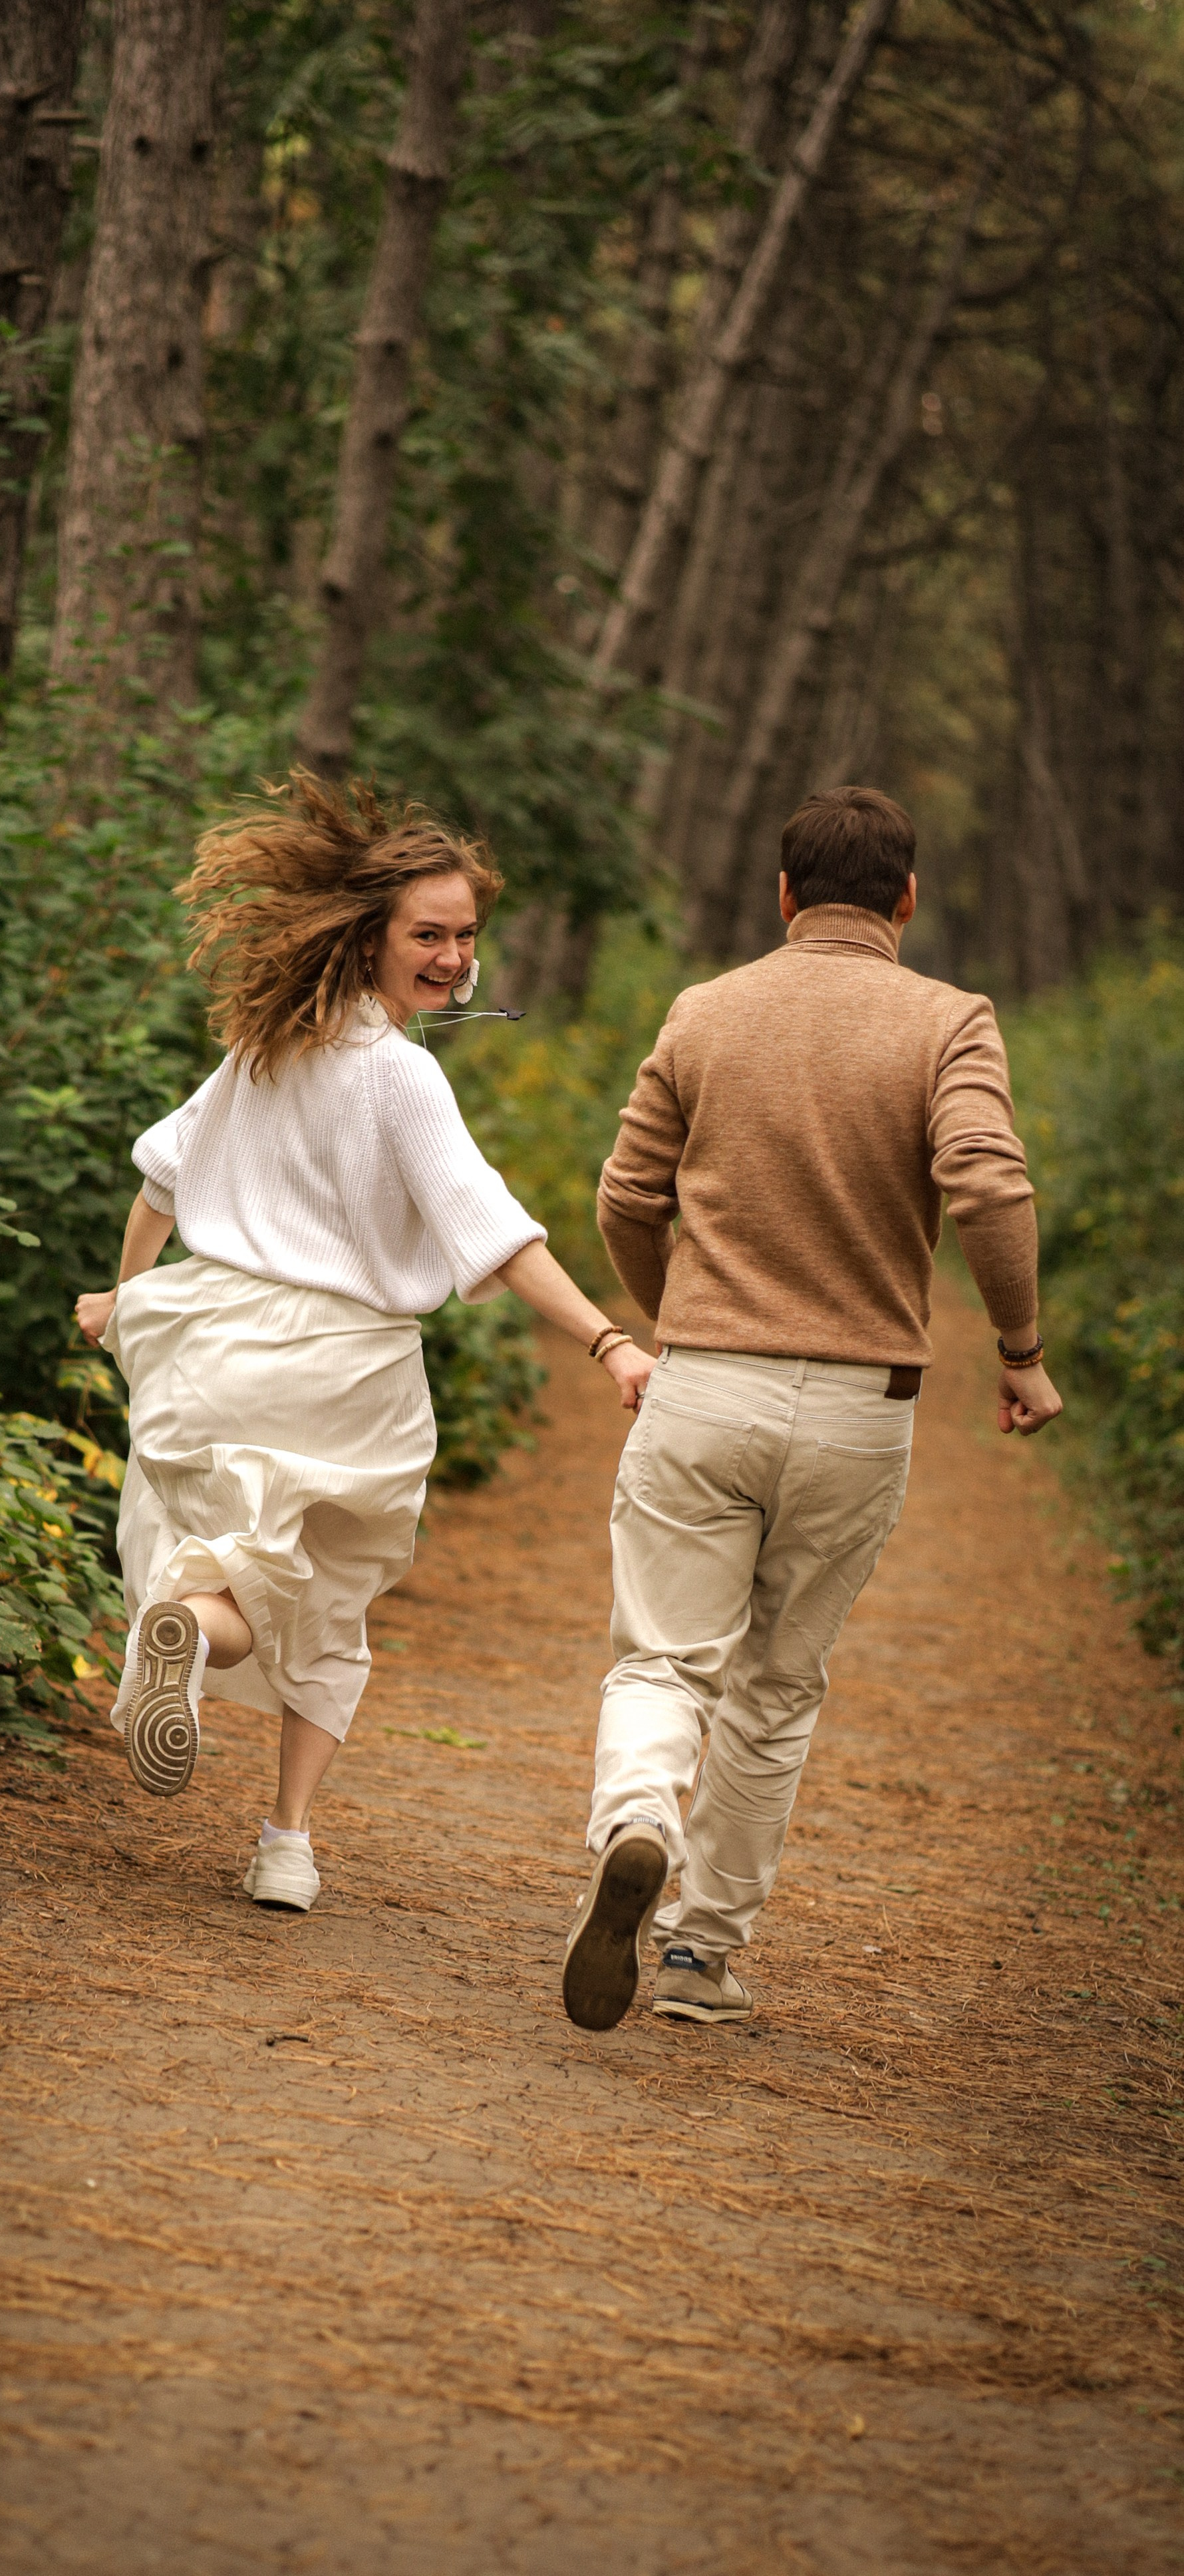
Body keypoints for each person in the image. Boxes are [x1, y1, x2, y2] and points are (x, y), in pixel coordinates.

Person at [76, 773, 655, 1915]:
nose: (450, 959)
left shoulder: (266, 1043)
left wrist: (125, 1295)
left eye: (465, 936)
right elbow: (496, 1239)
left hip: (206, 1342)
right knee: (325, 1603)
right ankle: (286, 1839)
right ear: (370, 938)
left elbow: (163, 1170)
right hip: (343, 1372)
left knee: (217, 1569)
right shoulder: (403, 1077)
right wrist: (609, 1344)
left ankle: (186, 1639)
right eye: (427, 936)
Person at [561, 785, 1063, 2034]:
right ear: (906, 898)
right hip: (857, 1409)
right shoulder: (951, 1022)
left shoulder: (705, 1011)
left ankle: (636, 1820)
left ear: (783, 896)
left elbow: (626, 1195)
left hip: (705, 1382)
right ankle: (698, 1958)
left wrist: (678, 1313)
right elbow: (990, 1188)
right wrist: (1022, 1348)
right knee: (778, 1686)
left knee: (663, 1655)